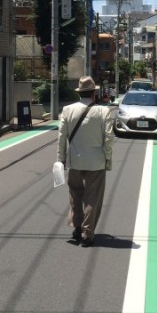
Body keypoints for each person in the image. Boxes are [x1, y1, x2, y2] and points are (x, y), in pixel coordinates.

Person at [57, 76, 114, 247]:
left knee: (75, 195)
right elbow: (109, 138)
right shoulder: (103, 111)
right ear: (94, 93)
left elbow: (61, 137)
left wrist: (61, 159)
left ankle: (77, 226)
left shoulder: (67, 110)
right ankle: (87, 233)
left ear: (79, 93)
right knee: (92, 198)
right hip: (96, 162)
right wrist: (107, 157)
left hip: (74, 161)